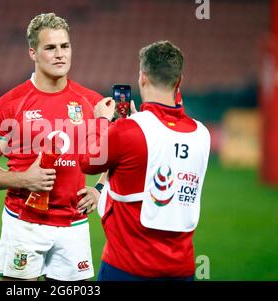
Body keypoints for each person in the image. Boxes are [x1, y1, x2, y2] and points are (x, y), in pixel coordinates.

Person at [0, 13, 104, 281]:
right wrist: (22, 178)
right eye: (50, 48)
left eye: (65, 46)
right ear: (33, 52)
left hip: (73, 224)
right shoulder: (9, 106)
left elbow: (123, 155)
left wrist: (101, 188)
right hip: (24, 223)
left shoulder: (92, 102)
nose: (59, 54)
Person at [80, 41, 211, 281]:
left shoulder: (129, 130)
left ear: (142, 77)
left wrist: (100, 122)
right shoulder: (202, 134)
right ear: (179, 81)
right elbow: (160, 157)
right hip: (182, 270)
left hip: (127, 268)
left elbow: (88, 161)